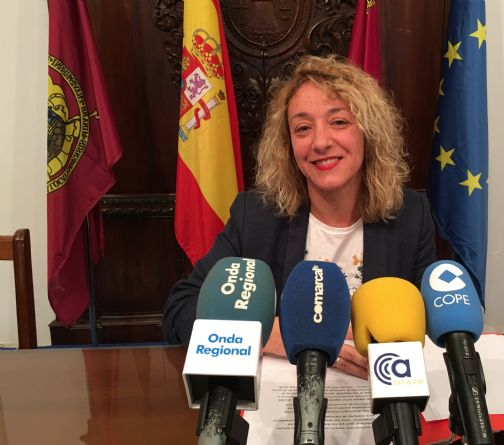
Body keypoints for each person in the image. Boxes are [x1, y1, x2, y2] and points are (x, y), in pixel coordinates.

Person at [163, 54, 437, 379]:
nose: (320, 142)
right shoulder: (256, 217)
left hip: (374, 391)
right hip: (284, 393)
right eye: (303, 128)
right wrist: (277, 336)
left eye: (339, 122)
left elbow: (434, 320)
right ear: (288, 146)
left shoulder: (410, 215)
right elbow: (181, 309)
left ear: (369, 132)